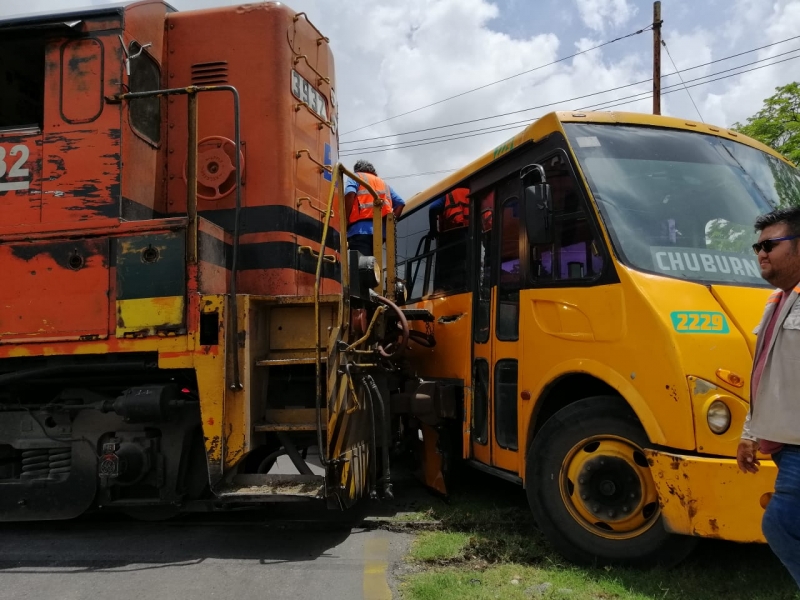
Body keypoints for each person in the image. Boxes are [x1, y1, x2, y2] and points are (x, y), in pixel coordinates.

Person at [737, 206, 800, 588]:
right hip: (781, 442)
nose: (760, 252)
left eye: (769, 244)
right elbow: (765, 372)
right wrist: (750, 431)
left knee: (780, 524)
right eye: (757, 246)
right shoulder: (776, 301)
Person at [344, 160, 404, 257]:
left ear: (357, 170)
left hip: (360, 230)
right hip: (381, 233)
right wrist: (390, 225)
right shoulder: (384, 184)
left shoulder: (356, 177)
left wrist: (345, 220)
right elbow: (401, 203)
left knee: (362, 266)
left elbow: (350, 193)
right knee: (374, 265)